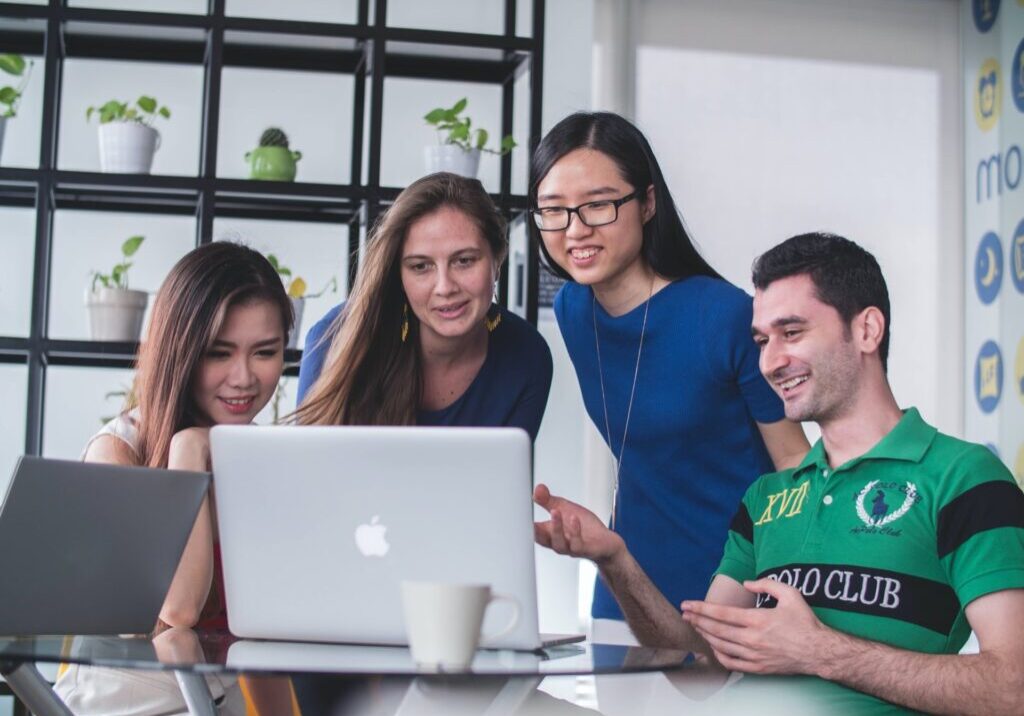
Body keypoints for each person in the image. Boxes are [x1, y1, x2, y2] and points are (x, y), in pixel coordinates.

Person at [534, 233, 1024, 715]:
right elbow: (701, 672)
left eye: (792, 333)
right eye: (762, 340)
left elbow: (1012, 687)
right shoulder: (766, 497)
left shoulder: (964, 477)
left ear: (867, 330)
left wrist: (819, 651)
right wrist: (615, 559)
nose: (770, 362)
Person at [529, 111, 809, 636]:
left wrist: (786, 594)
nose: (576, 230)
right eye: (554, 211)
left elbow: (794, 464)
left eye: (599, 205)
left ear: (648, 202)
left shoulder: (722, 316)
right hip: (624, 590)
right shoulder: (573, 309)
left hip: (733, 592)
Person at [67, 241, 299, 715]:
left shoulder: (259, 458)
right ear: (182, 351)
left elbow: (261, 642)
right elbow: (177, 612)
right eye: (219, 353)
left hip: (217, 705)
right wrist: (189, 451)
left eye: (265, 352)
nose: (243, 378)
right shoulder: (116, 452)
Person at [295, 172, 552, 440]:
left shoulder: (527, 356)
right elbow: (308, 472)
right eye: (420, 266)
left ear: (496, 260)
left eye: (464, 260)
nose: (445, 287)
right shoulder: (335, 338)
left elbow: (505, 478)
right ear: (399, 274)